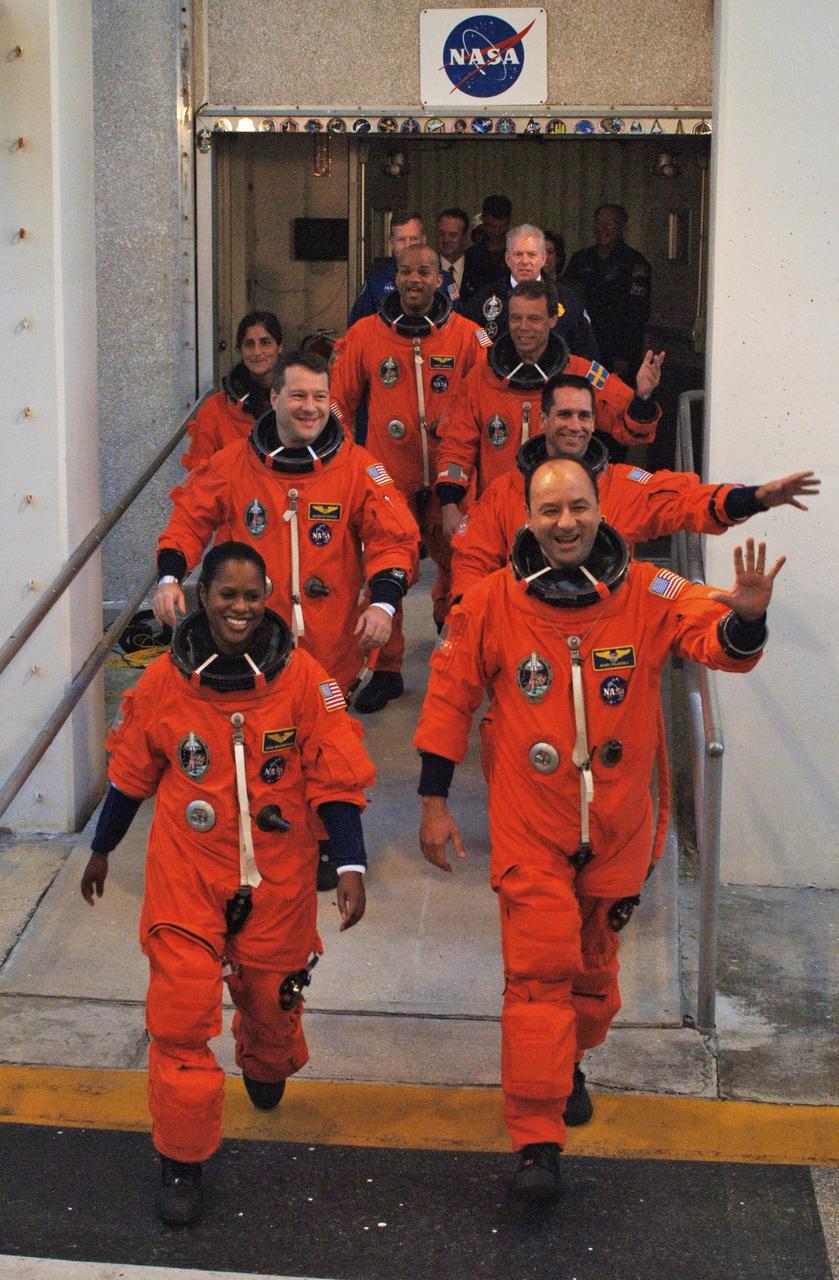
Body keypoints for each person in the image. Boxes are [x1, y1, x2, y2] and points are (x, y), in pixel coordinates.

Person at [415, 456, 785, 1201]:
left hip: (619, 827)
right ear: (528, 518)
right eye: (550, 510)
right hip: (531, 825)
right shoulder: (489, 602)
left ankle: (570, 1059)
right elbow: (450, 699)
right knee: (536, 976)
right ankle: (536, 1141)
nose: (566, 523)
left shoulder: (646, 589)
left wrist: (746, 618)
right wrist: (432, 800)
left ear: (599, 510)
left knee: (591, 980)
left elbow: (713, 639)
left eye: (578, 507)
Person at [81, 542, 376, 1225]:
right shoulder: (164, 682)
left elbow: (336, 772)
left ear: (266, 597)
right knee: (180, 1017)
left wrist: (351, 864)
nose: (239, 609)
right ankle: (181, 1161)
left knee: (271, 1002)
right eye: (226, 595)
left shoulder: (303, 680)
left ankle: (266, 1056)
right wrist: (101, 849)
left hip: (278, 880)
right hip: (187, 875)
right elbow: (129, 775)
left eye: (251, 596)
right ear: (202, 597)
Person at [152, 351, 418, 884]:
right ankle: (259, 835)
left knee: (329, 746)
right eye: (298, 395)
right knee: (261, 743)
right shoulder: (233, 464)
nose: (310, 407)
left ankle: (330, 842)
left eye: (320, 397)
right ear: (274, 398)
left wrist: (384, 603)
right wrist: (168, 578)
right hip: (249, 639)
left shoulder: (358, 467)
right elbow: (188, 518)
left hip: (330, 642)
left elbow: (394, 538)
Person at [449, 373, 820, 599]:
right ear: (543, 420)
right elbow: (471, 561)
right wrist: (469, 623)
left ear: (594, 423)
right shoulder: (505, 491)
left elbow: (686, 502)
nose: (575, 426)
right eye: (564, 415)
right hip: (528, 630)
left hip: (605, 623)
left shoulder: (623, 486)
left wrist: (754, 498)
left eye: (584, 416)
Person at [330, 245, 488, 712]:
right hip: (388, 475)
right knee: (384, 568)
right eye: (405, 272)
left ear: (440, 280)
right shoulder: (365, 334)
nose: (413, 279)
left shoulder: (469, 337)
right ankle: (386, 668)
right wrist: (348, 462)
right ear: (394, 279)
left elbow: (487, 403)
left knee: (461, 561)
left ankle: (456, 648)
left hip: (452, 476)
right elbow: (338, 403)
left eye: (423, 271)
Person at [436, 279, 663, 538]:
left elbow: (629, 425)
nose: (523, 327)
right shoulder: (481, 378)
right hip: (497, 517)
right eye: (516, 318)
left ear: (552, 320)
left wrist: (643, 396)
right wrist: (449, 504)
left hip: (563, 522)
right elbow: (456, 445)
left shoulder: (580, 373)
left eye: (533, 319)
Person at [464, 223, 597, 356]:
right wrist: (488, 353)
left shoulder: (567, 298)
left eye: (532, 255)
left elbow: (586, 351)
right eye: (518, 254)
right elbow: (469, 340)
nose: (525, 261)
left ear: (543, 259)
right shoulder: (484, 298)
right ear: (507, 259)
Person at [181, 311, 283, 471]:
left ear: (280, 347)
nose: (257, 352)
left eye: (265, 342)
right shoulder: (215, 409)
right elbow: (199, 473)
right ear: (240, 350)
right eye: (249, 344)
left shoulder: (300, 404)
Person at [564, 204, 652, 380]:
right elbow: (568, 301)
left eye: (609, 223)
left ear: (621, 226)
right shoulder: (581, 259)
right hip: (584, 346)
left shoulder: (634, 263)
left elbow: (637, 312)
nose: (602, 229)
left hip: (617, 350)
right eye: (598, 223)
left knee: (615, 393)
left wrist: (624, 354)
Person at [462, 194, 512, 294]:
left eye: (502, 227)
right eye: (492, 226)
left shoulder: (517, 253)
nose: (497, 232)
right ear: (483, 221)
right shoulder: (471, 255)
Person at [436, 206, 476, 305]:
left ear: (465, 236)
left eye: (452, 235)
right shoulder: (428, 268)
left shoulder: (478, 268)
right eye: (442, 234)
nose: (446, 240)